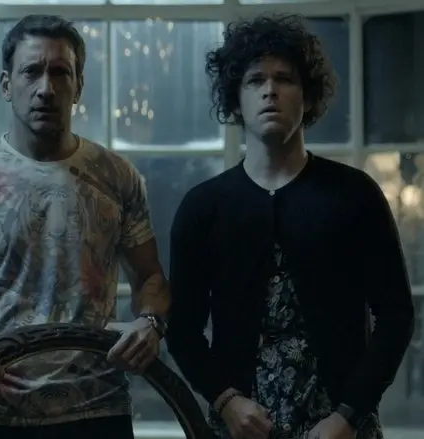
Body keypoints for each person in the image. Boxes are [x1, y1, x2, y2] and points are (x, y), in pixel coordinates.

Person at [165, 14, 415, 439]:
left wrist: (349, 414)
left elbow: (396, 316)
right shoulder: (204, 207)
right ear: (235, 97)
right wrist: (226, 401)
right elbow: (183, 330)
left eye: (284, 79)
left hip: (341, 426)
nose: (270, 90)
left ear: (307, 96)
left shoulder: (354, 194)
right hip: (241, 425)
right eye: (255, 80)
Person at [0, 14, 170, 439]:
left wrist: (149, 323)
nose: (46, 88)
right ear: (6, 84)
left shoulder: (118, 175)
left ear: (79, 86)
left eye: (60, 72)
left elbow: (151, 278)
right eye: (31, 71)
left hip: (98, 405)